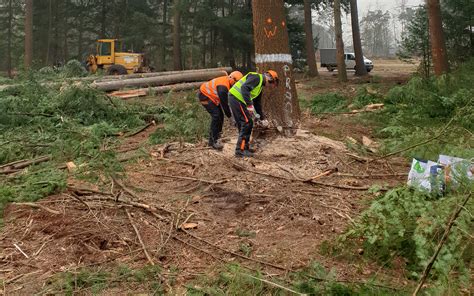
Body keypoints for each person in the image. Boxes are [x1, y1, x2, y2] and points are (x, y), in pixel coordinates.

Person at [228, 70, 279, 157]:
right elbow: (244, 88)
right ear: (270, 79)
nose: (269, 87)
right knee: (247, 122)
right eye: (271, 85)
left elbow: (257, 104)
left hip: (239, 99)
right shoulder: (257, 77)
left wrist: (262, 119)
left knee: (246, 124)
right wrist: (249, 105)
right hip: (236, 98)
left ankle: (244, 148)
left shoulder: (259, 87)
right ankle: (239, 150)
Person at [197, 71, 243, 150]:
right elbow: (224, 105)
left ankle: (217, 136)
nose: (236, 85)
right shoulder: (223, 88)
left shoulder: (228, 82)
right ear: (233, 79)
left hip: (212, 97)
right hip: (204, 95)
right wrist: (231, 118)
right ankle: (212, 142)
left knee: (220, 115)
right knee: (216, 116)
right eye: (236, 83)